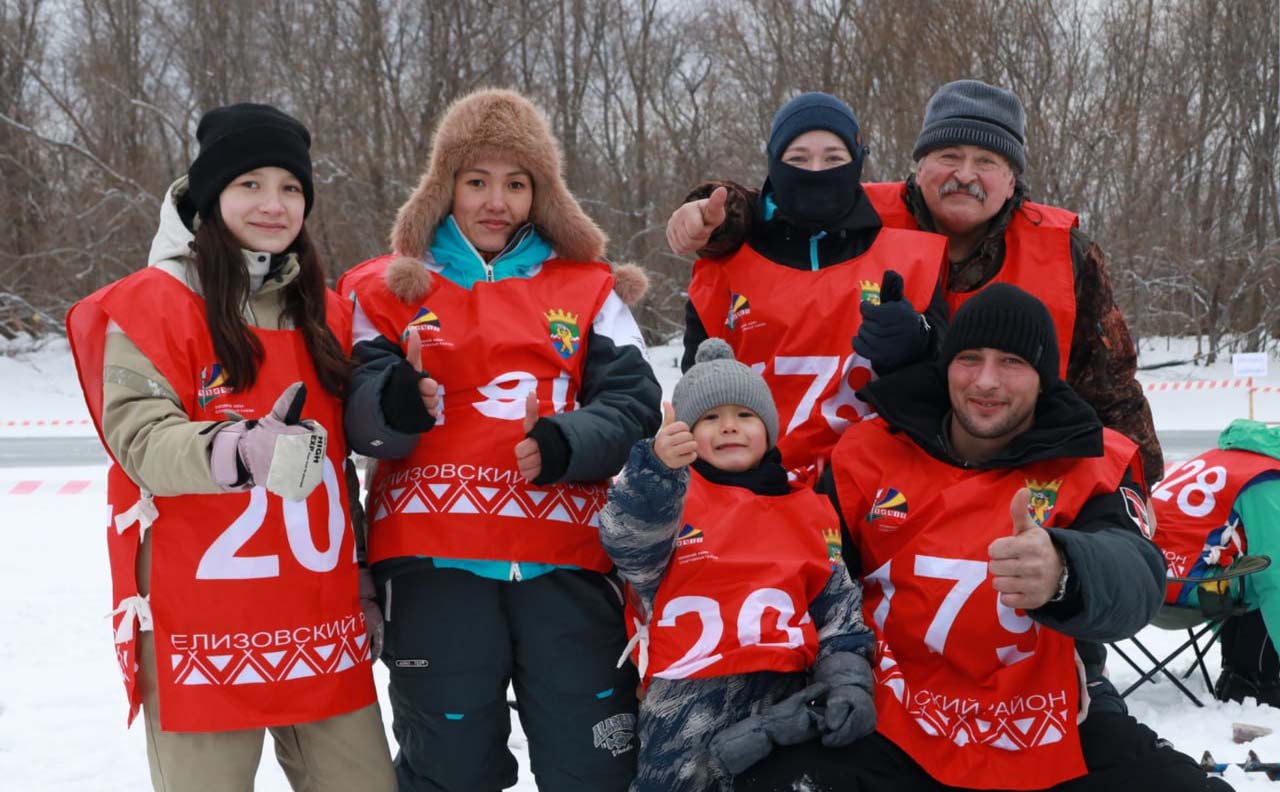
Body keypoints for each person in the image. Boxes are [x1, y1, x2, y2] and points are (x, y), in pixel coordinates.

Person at [736, 285, 1226, 791]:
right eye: (969, 358)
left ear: (1043, 378)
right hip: (895, 714)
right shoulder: (868, 452)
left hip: (1048, 715)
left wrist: (1067, 569)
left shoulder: (1094, 460)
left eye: (1012, 362)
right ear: (946, 365)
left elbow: (1138, 580)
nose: (986, 381)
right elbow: (810, 579)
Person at [339, 88, 662, 791]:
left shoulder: (587, 288)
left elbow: (636, 406)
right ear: (442, 187)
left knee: (595, 767)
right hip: (434, 567)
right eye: (476, 181)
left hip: (568, 563)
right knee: (449, 770)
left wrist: (567, 441)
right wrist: (395, 402)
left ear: (542, 194)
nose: (496, 202)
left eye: (516, 184)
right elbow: (355, 414)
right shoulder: (383, 289)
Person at [66, 104, 395, 791]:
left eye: (291, 187)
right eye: (251, 183)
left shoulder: (328, 311)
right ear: (212, 193)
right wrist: (238, 449)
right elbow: (140, 439)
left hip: (318, 618)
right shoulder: (152, 303)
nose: (274, 204)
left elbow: (337, 467)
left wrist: (363, 570)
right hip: (203, 631)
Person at [668, 79, 1163, 490]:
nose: (964, 175)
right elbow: (781, 201)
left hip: (1016, 470)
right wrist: (717, 212)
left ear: (1012, 179)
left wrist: (1135, 494)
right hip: (877, 479)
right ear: (919, 165)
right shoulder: (865, 213)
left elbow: (1111, 390)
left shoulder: (1063, 252)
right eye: (948, 155)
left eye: (987, 162)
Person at [599, 338, 875, 791]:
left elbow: (839, 616)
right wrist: (656, 473)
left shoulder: (809, 509)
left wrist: (848, 684)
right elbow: (629, 546)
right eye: (710, 418)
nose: (729, 427)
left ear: (769, 429)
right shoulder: (672, 501)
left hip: (785, 703)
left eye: (745, 415)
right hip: (686, 706)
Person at [677, 91, 950, 475]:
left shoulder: (913, 260)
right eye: (798, 159)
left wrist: (917, 346)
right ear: (774, 163)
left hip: (873, 485)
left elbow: (947, 394)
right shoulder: (723, 271)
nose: (817, 172)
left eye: (834, 158)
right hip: (754, 489)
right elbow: (696, 403)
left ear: (857, 162)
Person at [1153, 418, 1280, 708]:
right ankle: (1254, 679)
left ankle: (1240, 670)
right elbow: (1275, 577)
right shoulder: (1267, 480)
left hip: (1143, 582)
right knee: (1262, 573)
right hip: (1187, 588)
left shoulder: (1217, 458)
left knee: (1244, 563)